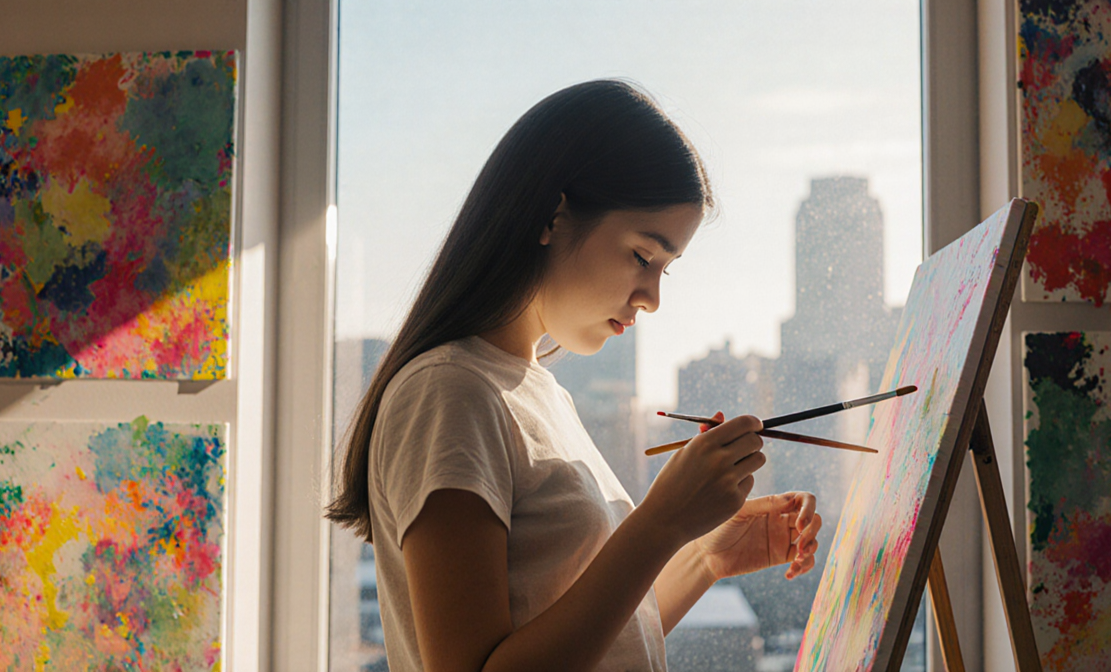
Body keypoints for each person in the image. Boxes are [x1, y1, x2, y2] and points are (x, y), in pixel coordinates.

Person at [326, 79, 823, 671]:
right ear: (550, 216)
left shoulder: (539, 392)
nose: (653, 298)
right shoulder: (449, 392)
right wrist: (662, 523)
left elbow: (597, 647)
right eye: (643, 256)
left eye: (667, 269)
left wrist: (703, 557)